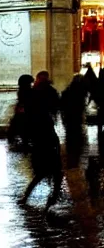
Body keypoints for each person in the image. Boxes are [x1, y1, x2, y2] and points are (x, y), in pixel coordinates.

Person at [19, 71, 62, 211]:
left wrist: (26, 141)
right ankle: (52, 196)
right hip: (46, 138)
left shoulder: (30, 97)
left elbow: (25, 122)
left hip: (41, 139)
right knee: (51, 171)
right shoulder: (39, 97)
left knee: (44, 172)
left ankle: (29, 196)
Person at [61, 74, 88, 168]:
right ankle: (74, 157)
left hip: (69, 117)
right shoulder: (81, 92)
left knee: (71, 136)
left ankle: (72, 156)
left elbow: (62, 105)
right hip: (75, 117)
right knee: (76, 136)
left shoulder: (68, 91)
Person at [7, 74, 35, 149]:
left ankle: (19, 139)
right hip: (27, 111)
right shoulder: (29, 90)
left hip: (22, 111)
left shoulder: (21, 90)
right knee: (25, 126)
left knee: (19, 126)